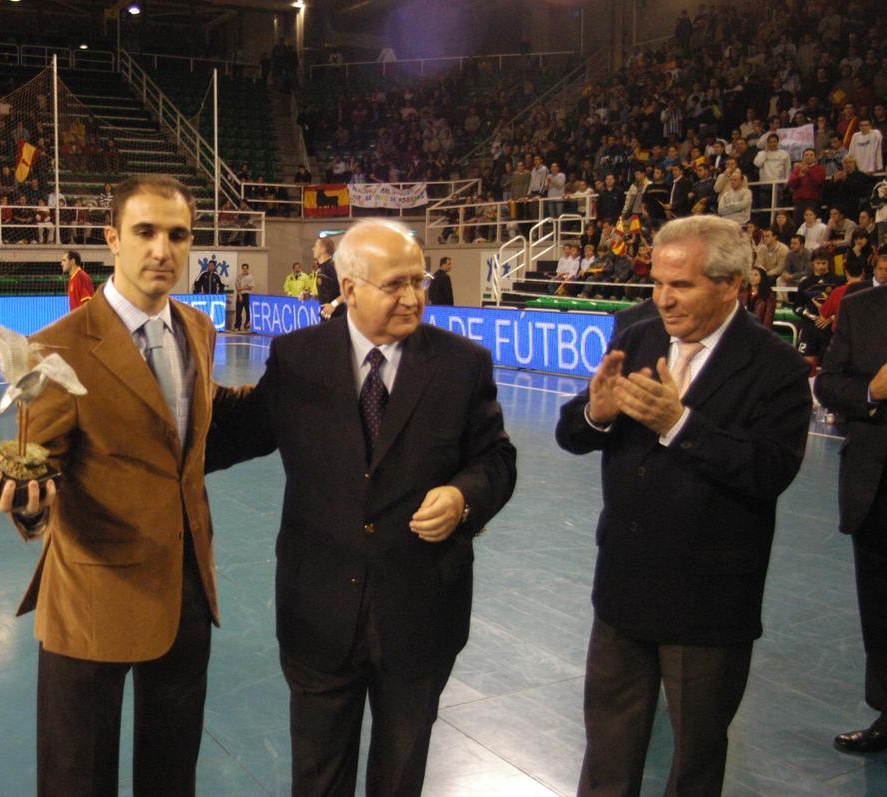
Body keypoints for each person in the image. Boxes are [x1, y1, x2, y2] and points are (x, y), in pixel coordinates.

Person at [208, 218, 517, 797]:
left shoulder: (462, 364)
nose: (415, 296)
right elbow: (238, 436)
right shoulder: (298, 358)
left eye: (419, 280)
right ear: (349, 289)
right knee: (318, 777)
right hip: (318, 611)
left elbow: (496, 460)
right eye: (395, 284)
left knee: (401, 775)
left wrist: (463, 497)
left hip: (421, 610)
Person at [0, 175, 224, 795]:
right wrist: (30, 508)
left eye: (177, 235)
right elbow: (41, 460)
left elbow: (186, 438)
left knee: (172, 774)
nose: (162, 250)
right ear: (112, 238)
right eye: (145, 232)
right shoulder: (57, 347)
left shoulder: (198, 330)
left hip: (184, 584)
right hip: (92, 594)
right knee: (78, 776)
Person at [555, 216, 812, 797]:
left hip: (709, 599)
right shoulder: (637, 333)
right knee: (607, 752)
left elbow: (770, 470)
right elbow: (574, 432)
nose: (664, 299)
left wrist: (680, 424)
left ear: (732, 285)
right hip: (622, 584)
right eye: (657, 282)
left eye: (683, 286)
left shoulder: (778, 368)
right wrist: (596, 413)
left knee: (695, 760)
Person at [815, 252, 887, 755]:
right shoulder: (862, 310)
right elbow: (827, 384)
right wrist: (871, 390)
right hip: (876, 484)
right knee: (880, 606)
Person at [314, 236, 344, 319]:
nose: (313, 249)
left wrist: (333, 305)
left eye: (316, 246)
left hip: (337, 317)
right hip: (326, 315)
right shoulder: (321, 269)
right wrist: (310, 295)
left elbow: (347, 292)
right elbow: (329, 293)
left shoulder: (333, 268)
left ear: (323, 249)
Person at [234, 263, 254, 331]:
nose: (244, 270)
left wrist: (242, 288)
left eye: (246, 268)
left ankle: (247, 326)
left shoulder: (250, 277)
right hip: (240, 295)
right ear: (242, 269)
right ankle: (237, 326)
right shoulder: (239, 277)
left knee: (248, 311)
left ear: (247, 269)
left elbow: (250, 287)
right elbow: (237, 287)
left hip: (247, 295)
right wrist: (240, 294)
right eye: (243, 268)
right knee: (238, 311)